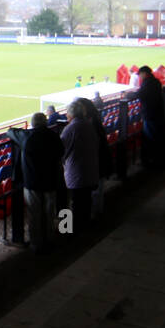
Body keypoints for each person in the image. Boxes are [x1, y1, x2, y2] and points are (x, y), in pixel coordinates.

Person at [9, 112, 64, 254]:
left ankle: (36, 244)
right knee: (49, 212)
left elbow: (10, 131)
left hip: (32, 182)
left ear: (33, 124)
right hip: (51, 180)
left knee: (35, 214)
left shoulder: (27, 136)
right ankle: (50, 239)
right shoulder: (53, 136)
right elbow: (61, 152)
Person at [61, 100, 98, 233]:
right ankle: (84, 225)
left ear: (71, 115)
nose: (66, 116)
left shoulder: (70, 129)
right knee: (85, 201)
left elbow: (62, 151)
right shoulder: (89, 125)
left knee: (73, 202)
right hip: (89, 171)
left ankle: (69, 230)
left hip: (75, 174)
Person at [135, 66, 165, 169]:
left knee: (151, 137)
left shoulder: (148, 83)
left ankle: (154, 160)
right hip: (157, 113)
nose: (140, 77)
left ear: (145, 73)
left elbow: (141, 94)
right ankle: (158, 159)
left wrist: (129, 95)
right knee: (156, 136)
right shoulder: (155, 81)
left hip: (151, 115)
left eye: (140, 74)